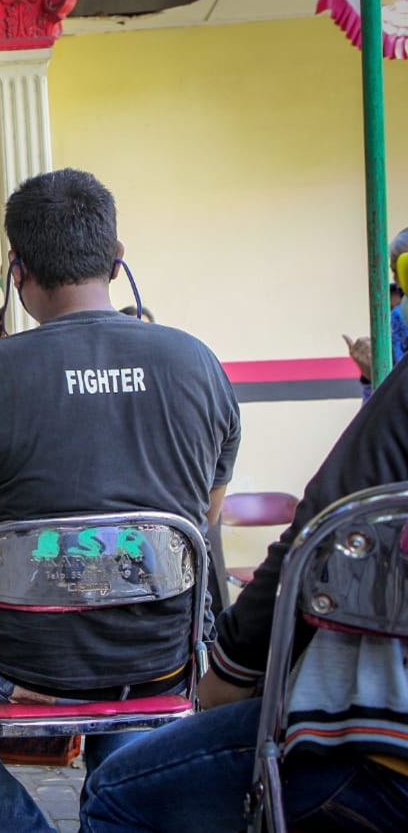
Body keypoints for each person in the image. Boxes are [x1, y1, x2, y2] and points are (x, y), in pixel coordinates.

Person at [0, 168, 241, 830]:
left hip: (21, 654)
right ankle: (117, 809)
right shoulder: (196, 361)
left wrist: (10, 611)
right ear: (117, 260)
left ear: (17, 271)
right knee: (124, 683)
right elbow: (201, 519)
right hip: (162, 652)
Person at [79, 355, 408, 832]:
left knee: (113, 795)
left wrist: (233, 666)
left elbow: (320, 531)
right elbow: (210, 510)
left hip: (375, 748)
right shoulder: (191, 365)